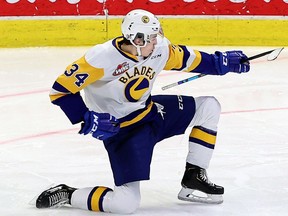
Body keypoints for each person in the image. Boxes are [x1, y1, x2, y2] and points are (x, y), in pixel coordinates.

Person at [35, 9, 250, 214]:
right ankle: (68, 194)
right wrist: (85, 117)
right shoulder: (100, 58)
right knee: (125, 203)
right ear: (137, 40)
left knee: (209, 107)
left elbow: (187, 59)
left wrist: (221, 63)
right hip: (123, 132)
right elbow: (60, 91)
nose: (157, 41)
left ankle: (194, 176)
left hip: (153, 113)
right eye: (152, 38)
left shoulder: (159, 49)